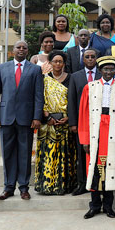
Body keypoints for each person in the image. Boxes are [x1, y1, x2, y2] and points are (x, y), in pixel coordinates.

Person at [0, 41, 44, 201]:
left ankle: (24, 188)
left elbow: (38, 96)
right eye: (18, 47)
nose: (21, 49)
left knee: (25, 154)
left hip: (26, 118)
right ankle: (8, 187)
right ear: (13, 50)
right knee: (8, 154)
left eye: (24, 48)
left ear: (28, 51)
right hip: (6, 117)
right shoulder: (2, 68)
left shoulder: (35, 69)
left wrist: (36, 117)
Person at [78, 56, 115, 219]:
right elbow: (83, 115)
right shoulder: (90, 87)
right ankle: (94, 205)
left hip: (112, 131)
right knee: (94, 168)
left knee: (110, 166)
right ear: (100, 70)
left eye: (111, 69)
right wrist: (84, 139)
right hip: (94, 131)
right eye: (105, 69)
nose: (108, 72)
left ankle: (108, 206)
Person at [34, 50, 77, 195]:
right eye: (55, 61)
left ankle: (64, 186)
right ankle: (46, 185)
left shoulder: (71, 78)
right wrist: (47, 117)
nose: (58, 64)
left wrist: (68, 118)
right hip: (48, 123)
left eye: (60, 61)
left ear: (64, 64)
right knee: (48, 155)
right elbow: (40, 98)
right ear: (50, 63)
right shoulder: (44, 78)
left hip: (65, 122)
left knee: (65, 156)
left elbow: (73, 100)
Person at [67, 48, 102, 196]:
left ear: (96, 58)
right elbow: (72, 101)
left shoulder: (104, 74)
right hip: (82, 123)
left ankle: (99, 182)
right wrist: (73, 123)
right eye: (87, 57)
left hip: (101, 122)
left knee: (100, 154)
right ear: (83, 59)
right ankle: (82, 183)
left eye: (92, 56)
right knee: (82, 154)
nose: (89, 59)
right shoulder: (75, 77)